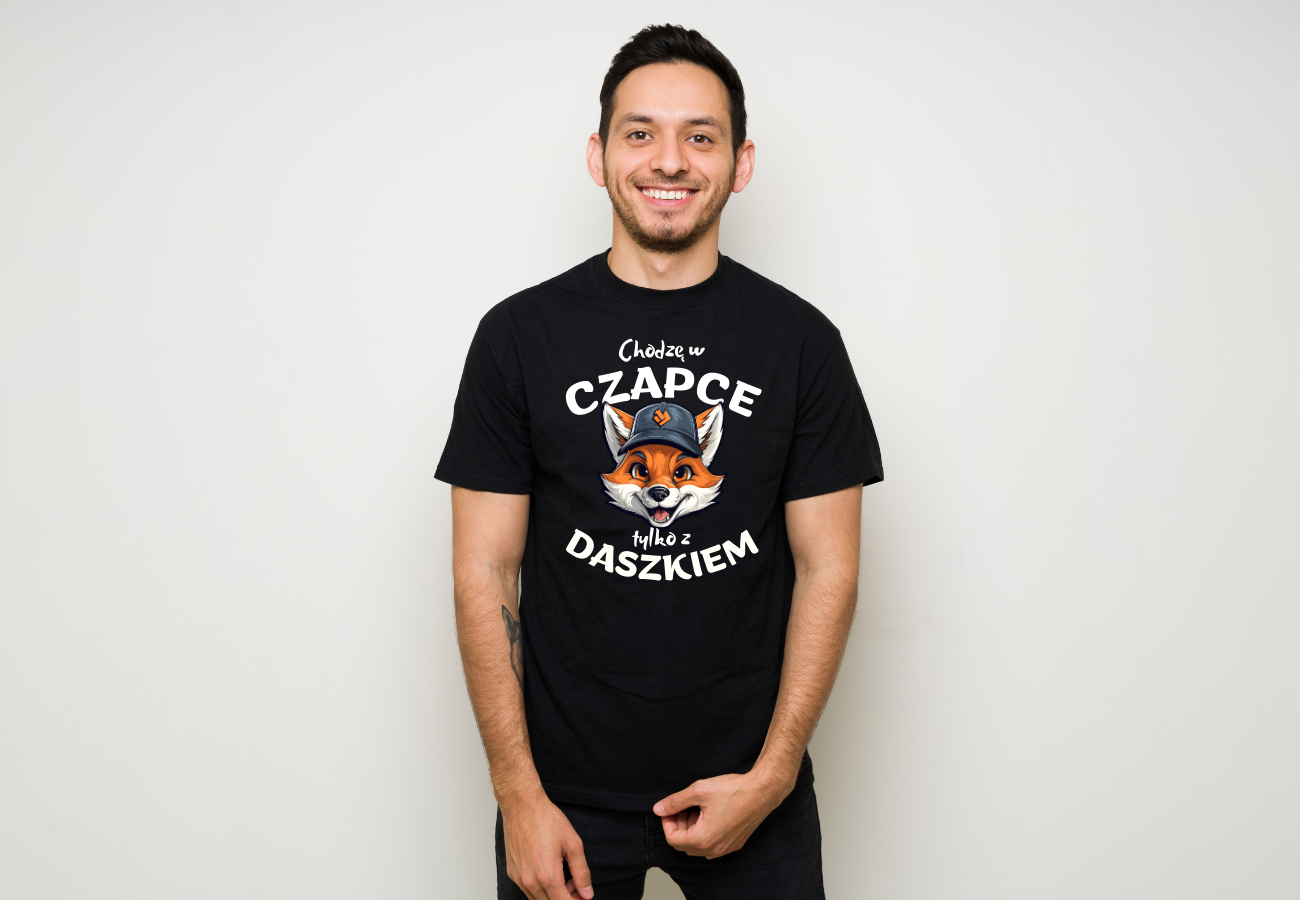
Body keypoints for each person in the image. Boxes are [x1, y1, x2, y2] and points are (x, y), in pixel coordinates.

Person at [436, 23, 883, 900]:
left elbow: (829, 567)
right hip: (560, 798)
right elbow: (482, 568)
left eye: (700, 136)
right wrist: (518, 794)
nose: (669, 160)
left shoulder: (801, 343)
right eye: (640, 133)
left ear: (740, 163)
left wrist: (774, 776)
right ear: (599, 156)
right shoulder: (518, 338)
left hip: (752, 788)